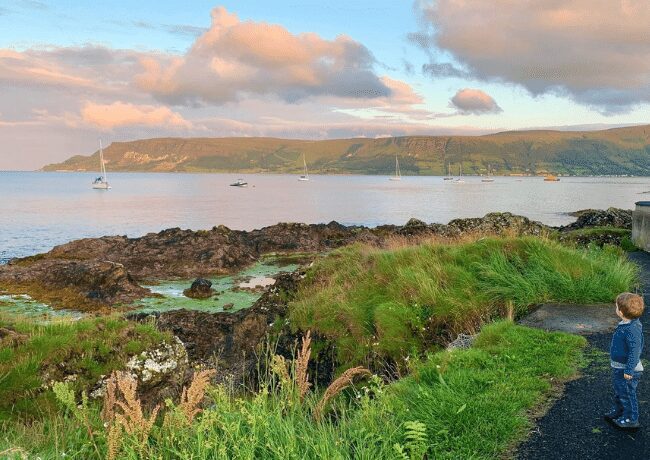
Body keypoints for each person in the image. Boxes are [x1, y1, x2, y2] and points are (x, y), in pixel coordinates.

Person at [604, 292, 644, 429]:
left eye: (616, 307)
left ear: (620, 312)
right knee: (620, 391)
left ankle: (631, 419)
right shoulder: (628, 323)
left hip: (627, 369)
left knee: (627, 394)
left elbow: (634, 351)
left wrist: (629, 369)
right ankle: (620, 411)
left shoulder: (632, 329)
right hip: (620, 367)